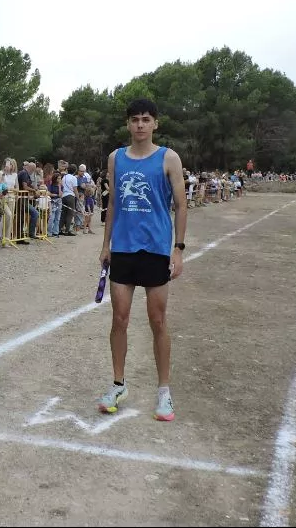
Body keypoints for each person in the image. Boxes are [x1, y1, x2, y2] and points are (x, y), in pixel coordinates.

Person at [98, 98, 188, 422]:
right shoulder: (116, 159)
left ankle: (164, 391)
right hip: (123, 247)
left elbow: (181, 204)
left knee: (158, 321)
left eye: (145, 119)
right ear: (127, 124)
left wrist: (178, 248)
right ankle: (118, 384)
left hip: (154, 249)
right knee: (119, 319)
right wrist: (106, 245)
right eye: (134, 119)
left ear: (155, 124)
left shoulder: (169, 158)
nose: (140, 125)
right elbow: (113, 206)